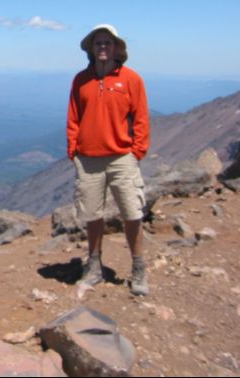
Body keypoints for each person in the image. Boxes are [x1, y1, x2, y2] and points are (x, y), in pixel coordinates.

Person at [66, 24, 150, 296]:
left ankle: (138, 268)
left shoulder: (131, 79)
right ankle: (94, 266)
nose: (103, 47)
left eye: (107, 43)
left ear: (117, 48)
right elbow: (73, 117)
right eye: (98, 43)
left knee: (132, 214)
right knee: (92, 216)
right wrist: (74, 150)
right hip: (88, 159)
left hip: (122, 158)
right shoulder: (81, 80)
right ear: (91, 48)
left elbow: (141, 119)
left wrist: (136, 152)